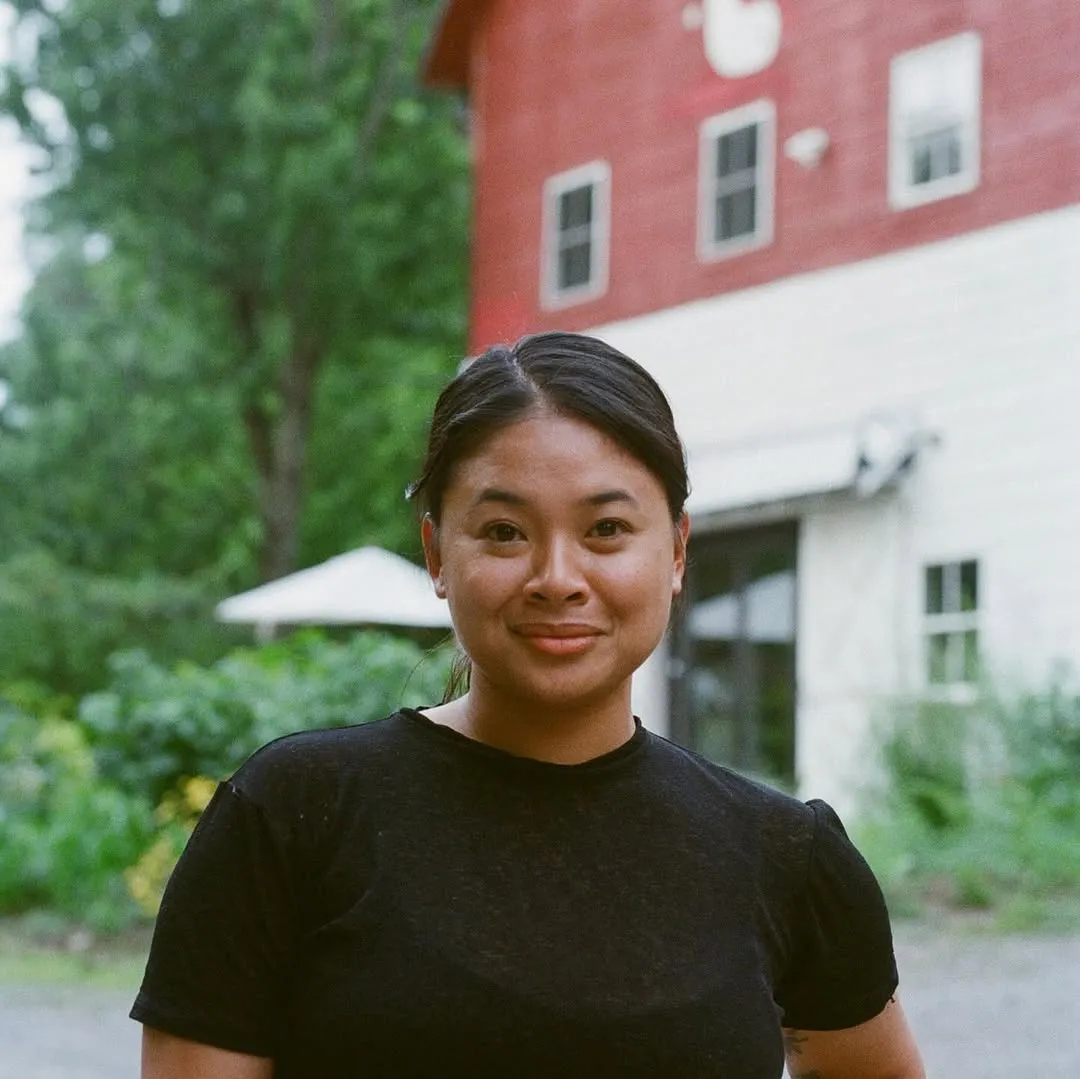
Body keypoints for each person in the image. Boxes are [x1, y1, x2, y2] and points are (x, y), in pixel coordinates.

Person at [132, 331, 926, 1079]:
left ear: (677, 550)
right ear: (438, 553)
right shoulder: (295, 814)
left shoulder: (786, 854)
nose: (556, 576)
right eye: (506, 531)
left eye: (607, 528)